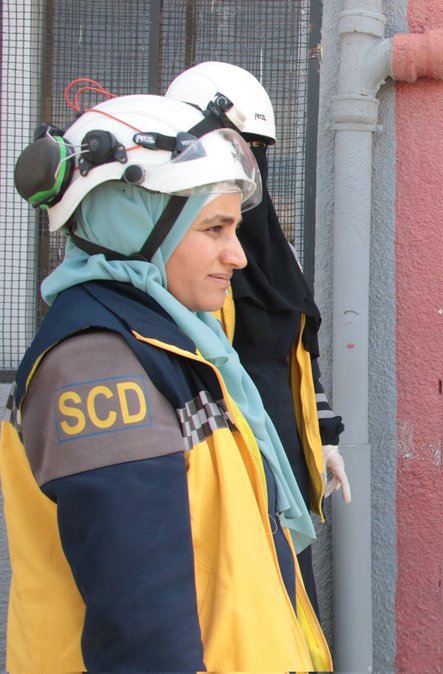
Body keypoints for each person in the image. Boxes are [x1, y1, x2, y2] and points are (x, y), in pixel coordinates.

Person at [2, 94, 330, 670]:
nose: (239, 255)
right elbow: (144, 638)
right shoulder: (97, 366)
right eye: (215, 228)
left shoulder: (173, 341)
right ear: (135, 222)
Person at [166, 61, 350, 617]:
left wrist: (324, 436)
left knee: (286, 613)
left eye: (255, 149)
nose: (248, 164)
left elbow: (297, 354)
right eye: (235, 145)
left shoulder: (270, 251)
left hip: (282, 465)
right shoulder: (173, 257)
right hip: (219, 473)